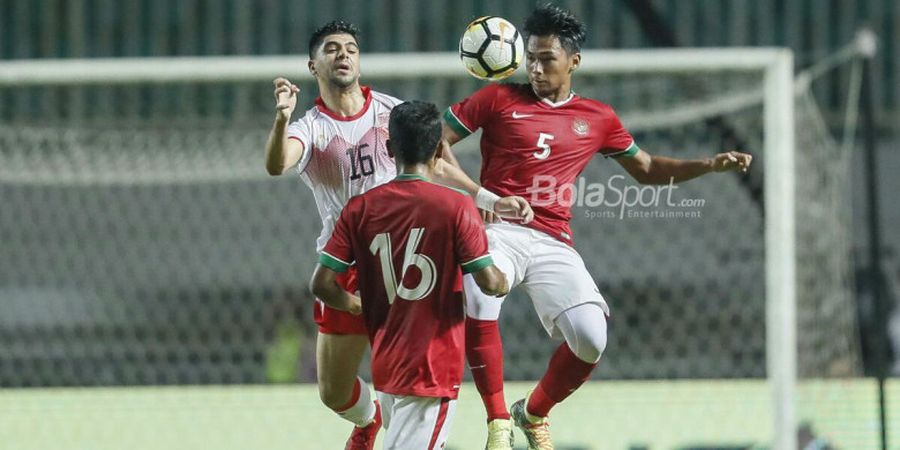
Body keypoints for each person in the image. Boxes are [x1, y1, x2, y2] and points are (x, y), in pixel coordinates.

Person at [439, 5, 754, 449]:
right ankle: (496, 422)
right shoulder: (497, 99)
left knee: (591, 338)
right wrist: (481, 198)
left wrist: (707, 165)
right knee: (480, 287)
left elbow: (645, 169)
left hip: (553, 238)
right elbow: (437, 143)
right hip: (498, 229)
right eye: (530, 56)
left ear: (574, 62)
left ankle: (531, 413)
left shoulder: (597, 117)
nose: (535, 66)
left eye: (547, 58)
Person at [264, 20, 531, 450]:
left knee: (416, 383)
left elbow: (436, 162)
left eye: (350, 47)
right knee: (334, 391)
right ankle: (370, 423)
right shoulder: (310, 126)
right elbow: (277, 163)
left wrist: (486, 199)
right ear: (312, 65)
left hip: (407, 257)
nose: (343, 54)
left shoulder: (393, 111)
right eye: (331, 49)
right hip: (348, 265)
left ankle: (479, 421)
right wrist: (281, 119)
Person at [310, 100, 510, 449]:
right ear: (438, 151)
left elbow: (322, 284)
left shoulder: (360, 209)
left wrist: (358, 305)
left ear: (389, 149)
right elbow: (490, 283)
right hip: (432, 369)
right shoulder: (456, 206)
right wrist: (504, 277)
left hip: (387, 364)